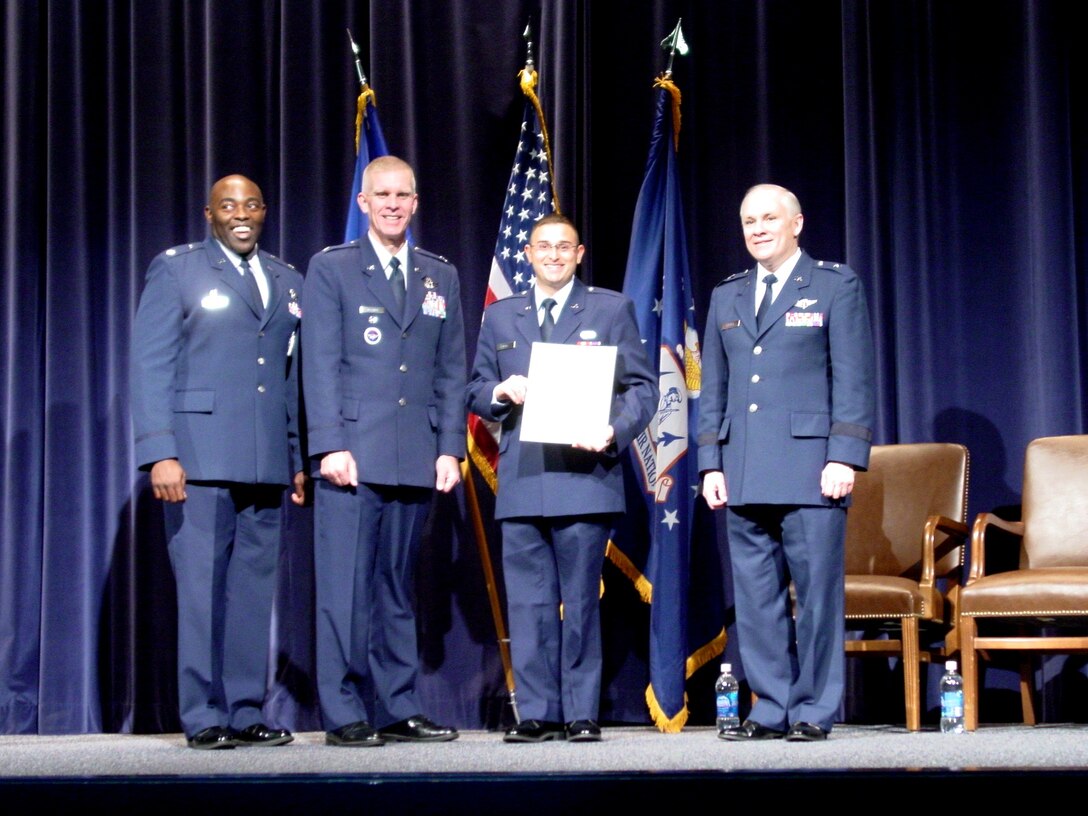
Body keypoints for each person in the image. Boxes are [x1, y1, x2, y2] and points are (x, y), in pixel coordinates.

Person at [467, 213, 658, 743]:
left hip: (586, 477)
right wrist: (502, 392)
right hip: (525, 482)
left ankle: (580, 713)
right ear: (527, 253)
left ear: (579, 254)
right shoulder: (501, 317)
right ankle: (536, 714)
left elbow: (642, 389)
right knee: (528, 607)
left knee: (580, 604)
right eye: (543, 246)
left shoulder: (610, 309)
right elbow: (475, 389)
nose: (553, 255)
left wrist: (613, 430)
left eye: (564, 247)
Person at [130, 174, 306, 749]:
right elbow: (151, 365)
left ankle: (245, 709)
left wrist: (297, 457)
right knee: (202, 593)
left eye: (252, 204)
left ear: (263, 212)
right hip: (198, 460)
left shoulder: (286, 278)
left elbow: (289, 379)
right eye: (228, 205)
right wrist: (160, 451)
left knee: (254, 593)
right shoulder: (177, 270)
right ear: (209, 214)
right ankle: (202, 713)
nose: (241, 213)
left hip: (265, 463)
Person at [697, 184, 876, 742]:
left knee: (818, 599)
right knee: (755, 602)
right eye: (748, 220)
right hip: (744, 468)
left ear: (796, 223)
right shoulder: (727, 295)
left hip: (810, 468)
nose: (757, 228)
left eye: (769, 217)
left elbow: (853, 377)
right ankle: (770, 707)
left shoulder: (832, 284)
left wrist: (844, 456)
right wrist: (711, 464)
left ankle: (812, 710)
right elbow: (715, 390)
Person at [302, 155, 466, 747]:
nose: (394, 204)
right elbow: (320, 366)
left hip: (414, 456)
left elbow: (451, 369)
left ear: (416, 203)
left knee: (397, 587)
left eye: (403, 195)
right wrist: (329, 445)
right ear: (364, 203)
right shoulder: (332, 269)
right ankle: (344, 709)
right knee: (345, 589)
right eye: (382, 195)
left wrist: (449, 449)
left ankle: (397, 707)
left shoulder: (438, 276)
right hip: (351, 457)